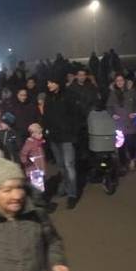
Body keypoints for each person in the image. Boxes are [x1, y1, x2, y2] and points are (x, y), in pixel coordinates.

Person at [41, 75, 80, 209]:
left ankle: (72, 194)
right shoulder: (49, 97)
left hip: (67, 137)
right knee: (61, 166)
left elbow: (76, 115)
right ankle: (65, 185)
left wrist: (72, 131)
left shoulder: (68, 96)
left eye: (51, 81)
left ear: (58, 82)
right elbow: (45, 116)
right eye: (48, 82)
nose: (49, 85)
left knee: (69, 165)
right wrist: (46, 131)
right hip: (54, 138)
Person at [106, 74, 136, 169]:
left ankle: (132, 159)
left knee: (131, 143)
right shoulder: (113, 93)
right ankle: (123, 163)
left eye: (121, 80)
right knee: (120, 145)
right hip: (119, 124)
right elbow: (109, 106)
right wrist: (113, 114)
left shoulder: (132, 91)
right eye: (117, 80)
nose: (119, 82)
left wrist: (135, 113)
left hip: (130, 123)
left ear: (124, 81)